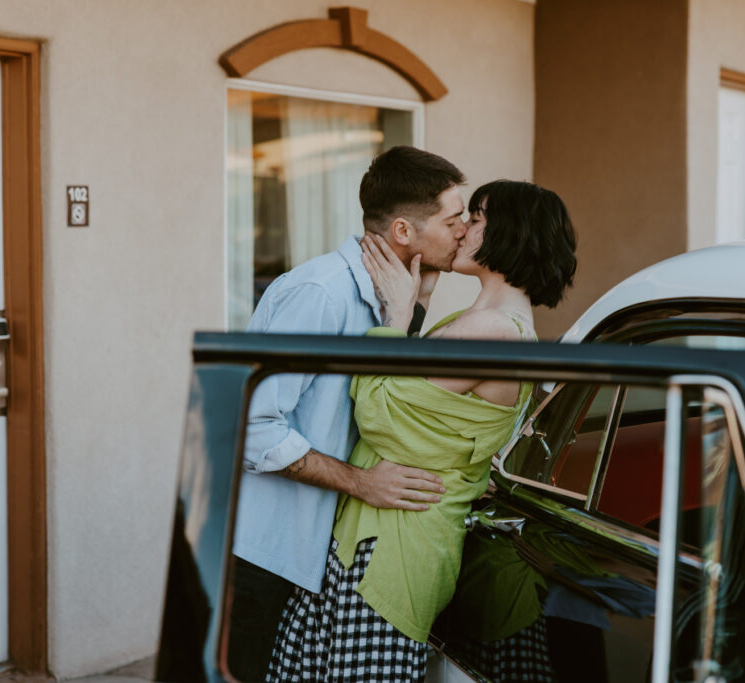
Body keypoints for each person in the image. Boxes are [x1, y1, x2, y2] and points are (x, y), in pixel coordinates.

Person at [266, 180, 578, 683]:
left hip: (396, 545)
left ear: (511, 235)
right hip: (391, 528)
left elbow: (379, 411)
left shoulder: (491, 329)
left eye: (475, 219)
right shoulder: (480, 320)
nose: (461, 230)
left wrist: (396, 315)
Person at [228, 146, 468, 682]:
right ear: (404, 231)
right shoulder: (322, 293)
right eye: (453, 220)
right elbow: (253, 427)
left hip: (313, 555)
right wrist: (362, 483)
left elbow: (385, 393)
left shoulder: (390, 296)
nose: (464, 230)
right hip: (264, 557)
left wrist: (419, 298)